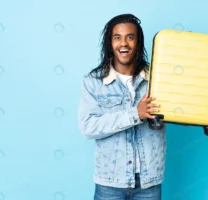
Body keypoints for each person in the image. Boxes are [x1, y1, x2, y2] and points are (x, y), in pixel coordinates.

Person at [78, 14, 165, 200]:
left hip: (149, 183)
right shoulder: (93, 82)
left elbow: (179, 110)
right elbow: (88, 127)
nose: (123, 43)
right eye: (117, 37)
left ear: (138, 42)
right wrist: (136, 113)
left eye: (130, 37)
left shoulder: (158, 79)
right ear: (110, 43)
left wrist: (205, 117)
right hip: (110, 182)